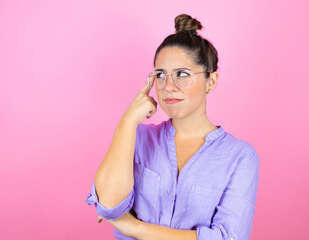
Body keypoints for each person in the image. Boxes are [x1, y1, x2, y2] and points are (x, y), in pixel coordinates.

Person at [86, 14, 259, 240]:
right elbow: (108, 205)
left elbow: (228, 238)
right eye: (160, 75)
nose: (168, 87)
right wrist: (128, 120)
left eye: (182, 74)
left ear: (211, 81)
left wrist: (132, 227)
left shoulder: (240, 157)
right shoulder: (138, 137)